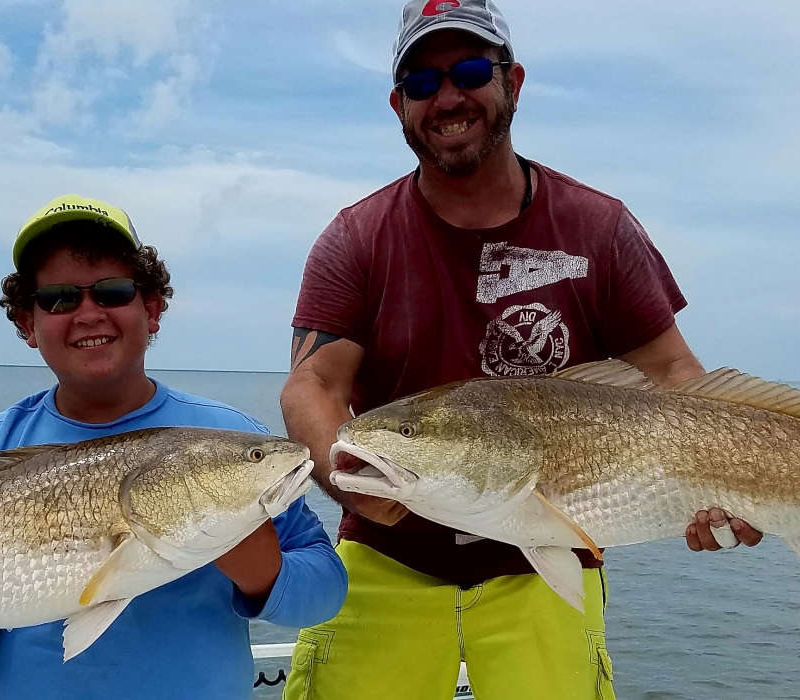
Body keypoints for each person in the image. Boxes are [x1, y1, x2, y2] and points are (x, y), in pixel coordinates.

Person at [280, 2, 761, 699]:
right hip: (386, 560)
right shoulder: (357, 238)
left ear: (514, 82)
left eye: (471, 70)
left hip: (549, 564)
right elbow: (313, 385)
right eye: (422, 82)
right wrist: (343, 471)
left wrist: (730, 477)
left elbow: (673, 375)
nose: (447, 98)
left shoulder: (599, 228)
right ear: (398, 105)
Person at [0, 194, 347, 699]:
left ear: (153, 310)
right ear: (28, 324)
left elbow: (325, 592)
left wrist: (262, 572)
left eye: (113, 292)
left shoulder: (228, 437)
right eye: (58, 299)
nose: (88, 313)